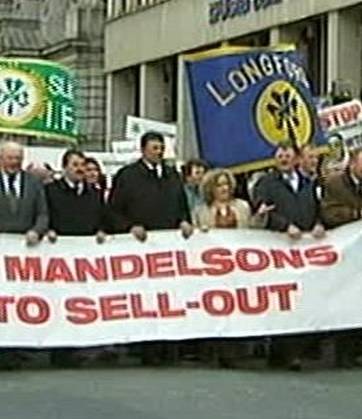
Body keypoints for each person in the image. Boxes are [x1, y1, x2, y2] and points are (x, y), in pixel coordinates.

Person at [109, 131, 192, 366]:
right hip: (140, 246)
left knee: (169, 296)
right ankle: (146, 348)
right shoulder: (127, 175)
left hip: (169, 247)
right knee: (145, 296)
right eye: (155, 148)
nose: (159, 152)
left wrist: (184, 221)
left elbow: (182, 205)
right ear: (143, 149)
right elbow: (113, 209)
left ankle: (170, 347)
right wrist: (129, 227)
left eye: (161, 148)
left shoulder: (172, 175)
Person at [0, 141, 49, 369]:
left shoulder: (34, 183)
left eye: (18, 159)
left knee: (22, 301)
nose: (14, 163)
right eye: (10, 158)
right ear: (1, 159)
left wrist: (37, 231)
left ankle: (19, 346)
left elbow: (43, 213)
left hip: (25, 254)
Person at [252, 143, 324, 371]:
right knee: (282, 300)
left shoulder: (308, 183)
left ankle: (296, 351)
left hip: (303, 248)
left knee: (301, 298)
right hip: (278, 247)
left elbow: (318, 208)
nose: (284, 159)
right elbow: (263, 209)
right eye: (280, 155)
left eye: (288, 155)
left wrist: (319, 224)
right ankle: (281, 353)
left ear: (296, 159)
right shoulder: (266, 183)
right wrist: (284, 225)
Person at [191, 168, 272, 368]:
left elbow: (252, 230)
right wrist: (199, 234)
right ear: (211, 189)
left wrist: (260, 217)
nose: (224, 188)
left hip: (238, 268)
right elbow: (192, 239)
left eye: (227, 184)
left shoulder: (242, 207)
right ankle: (215, 349)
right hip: (213, 269)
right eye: (219, 185)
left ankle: (237, 350)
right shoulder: (200, 211)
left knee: (238, 307)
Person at [45, 149, 109, 367]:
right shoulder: (51, 191)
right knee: (60, 302)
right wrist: (48, 231)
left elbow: (102, 218)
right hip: (59, 256)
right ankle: (60, 351)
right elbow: (45, 215)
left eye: (82, 164)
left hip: (86, 258)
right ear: (64, 167)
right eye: (75, 165)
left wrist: (101, 230)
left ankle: (83, 346)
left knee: (83, 302)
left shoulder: (94, 193)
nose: (80, 169)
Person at [320, 147, 362, 368]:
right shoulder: (335, 184)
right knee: (347, 302)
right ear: (352, 163)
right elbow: (329, 213)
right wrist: (356, 215)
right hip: (344, 249)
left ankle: (356, 350)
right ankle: (342, 352)